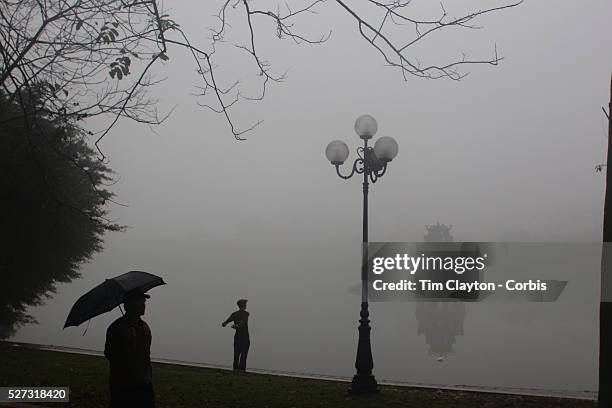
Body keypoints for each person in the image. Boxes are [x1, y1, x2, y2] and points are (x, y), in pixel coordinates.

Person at [104, 288, 155, 408]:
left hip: (144, 383)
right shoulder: (117, 327)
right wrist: (127, 343)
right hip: (123, 385)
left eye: (144, 302)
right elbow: (109, 354)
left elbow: (146, 354)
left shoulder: (145, 327)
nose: (143, 305)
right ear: (129, 304)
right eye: (139, 301)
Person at [222, 299, 250, 371]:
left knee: (236, 354)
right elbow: (244, 321)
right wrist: (238, 326)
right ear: (243, 305)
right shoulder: (246, 313)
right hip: (245, 337)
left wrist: (225, 323)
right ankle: (242, 370)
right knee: (243, 355)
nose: (246, 305)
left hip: (237, 337)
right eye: (245, 304)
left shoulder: (234, 314)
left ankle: (235, 369)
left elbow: (227, 321)